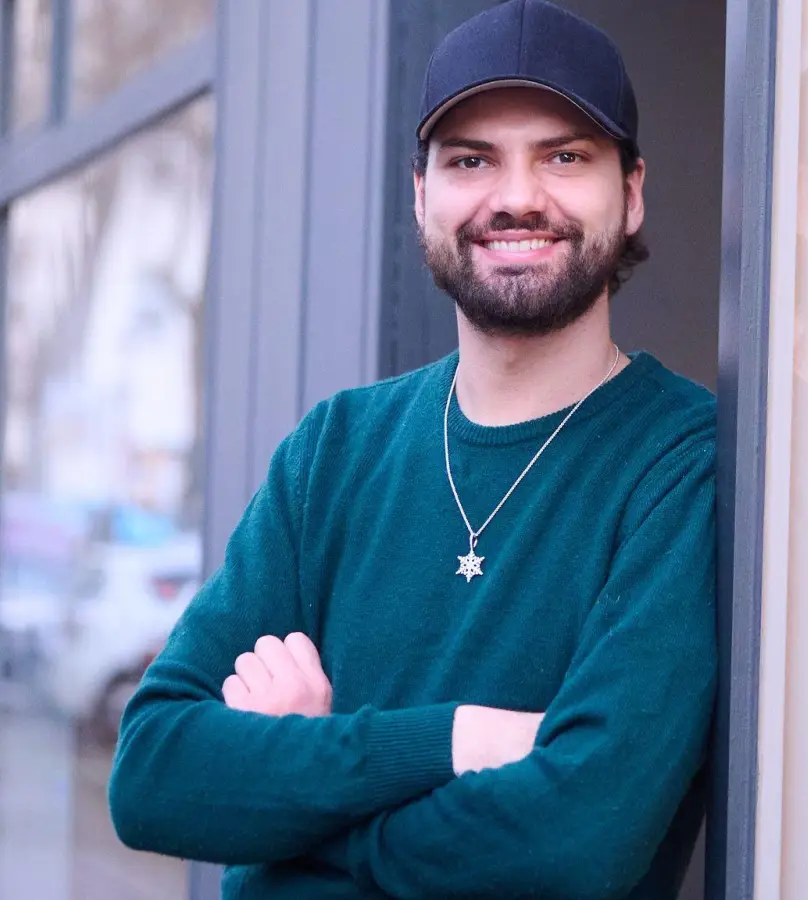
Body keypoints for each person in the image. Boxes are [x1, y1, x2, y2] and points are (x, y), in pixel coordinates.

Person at [108, 3, 714, 897]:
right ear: (422, 195)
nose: (516, 196)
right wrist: (458, 739)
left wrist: (292, 808)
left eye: (564, 156)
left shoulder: (686, 459)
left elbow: (574, 840)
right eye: (471, 159)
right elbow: (154, 773)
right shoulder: (335, 450)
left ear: (629, 195)